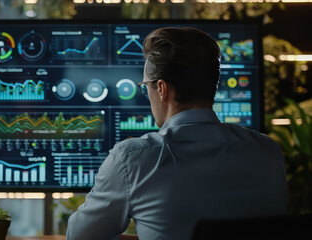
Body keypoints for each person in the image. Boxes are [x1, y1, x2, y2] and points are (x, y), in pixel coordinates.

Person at [66, 27, 286, 240]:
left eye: (146, 88)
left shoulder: (132, 159)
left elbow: (79, 237)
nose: (147, 94)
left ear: (162, 89)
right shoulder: (268, 151)